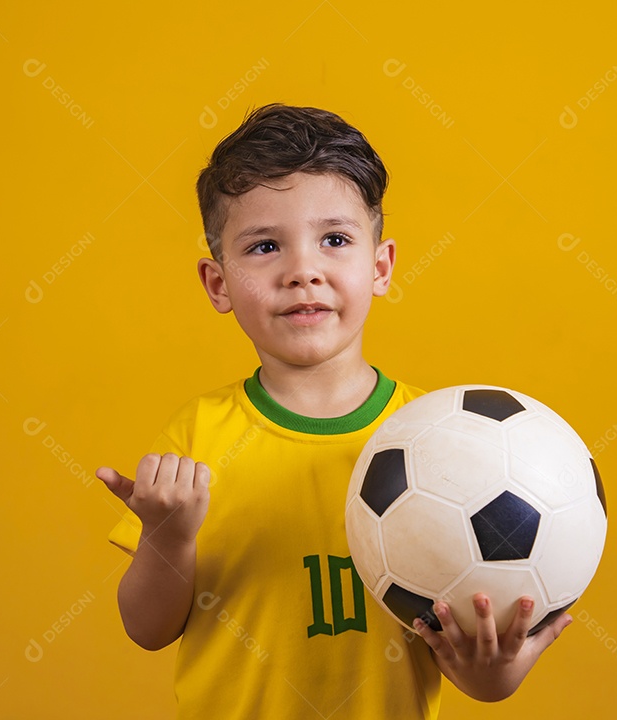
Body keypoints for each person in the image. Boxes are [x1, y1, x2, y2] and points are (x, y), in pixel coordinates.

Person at [95, 103, 571, 718]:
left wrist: (495, 667)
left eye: (335, 240)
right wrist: (168, 535)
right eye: (265, 246)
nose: (303, 272)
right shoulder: (199, 435)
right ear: (218, 283)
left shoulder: (441, 442)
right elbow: (148, 629)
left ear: (380, 266)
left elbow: (476, 682)